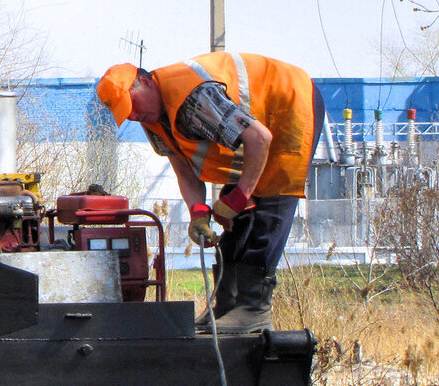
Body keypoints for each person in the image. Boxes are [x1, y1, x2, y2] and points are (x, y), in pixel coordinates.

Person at [96, 53, 323, 334]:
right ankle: (227, 307)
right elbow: (183, 169)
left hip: (290, 101)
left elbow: (259, 138)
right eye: (124, 111)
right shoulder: (153, 117)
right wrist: (198, 213)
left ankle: (253, 310)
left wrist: (240, 196)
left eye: (132, 104)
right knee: (238, 223)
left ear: (145, 81)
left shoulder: (195, 97)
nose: (133, 115)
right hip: (258, 135)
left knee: (267, 209)